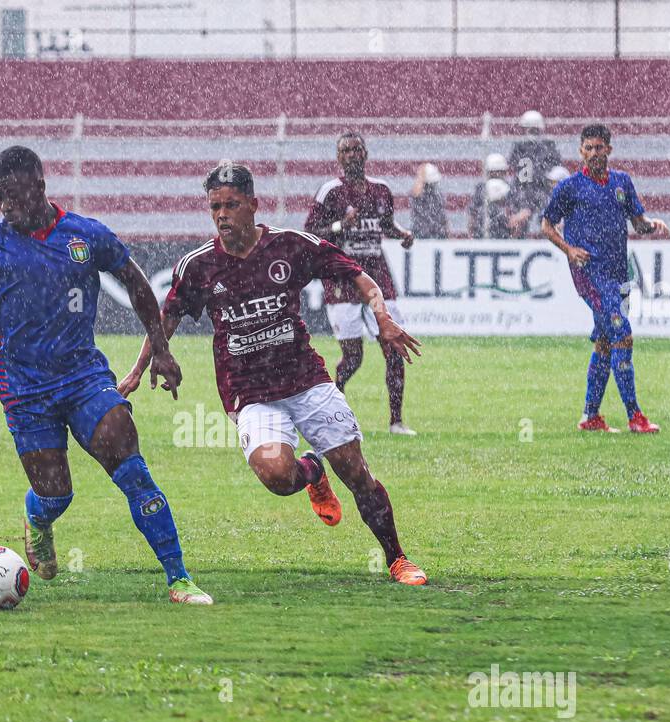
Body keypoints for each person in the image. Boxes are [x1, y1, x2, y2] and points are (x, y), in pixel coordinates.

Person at [0, 145, 213, 605]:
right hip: (24, 390)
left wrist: (161, 351)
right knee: (56, 496)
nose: (6, 206)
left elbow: (136, 281)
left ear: (40, 187)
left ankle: (179, 579)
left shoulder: (85, 235)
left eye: (13, 195)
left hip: (84, 379)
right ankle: (38, 517)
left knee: (131, 468)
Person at [118, 162, 429, 587]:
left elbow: (361, 278)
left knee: (356, 472)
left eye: (231, 205)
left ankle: (397, 559)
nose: (222, 214)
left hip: (305, 380)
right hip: (249, 393)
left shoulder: (290, 246)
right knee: (279, 478)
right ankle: (311, 473)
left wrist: (383, 318)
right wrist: (138, 371)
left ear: (252, 205)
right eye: (215, 207)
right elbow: (165, 318)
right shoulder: (200, 265)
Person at [541, 124, 670, 434]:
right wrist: (569, 249)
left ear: (609, 149)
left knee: (605, 342)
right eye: (589, 148)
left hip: (617, 273)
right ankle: (635, 416)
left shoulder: (622, 183)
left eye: (600, 148)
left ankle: (590, 416)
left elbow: (637, 223)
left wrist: (652, 225)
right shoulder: (570, 187)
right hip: (589, 273)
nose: (594, 153)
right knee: (622, 334)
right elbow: (547, 225)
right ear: (581, 151)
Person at [303, 131, 416, 436]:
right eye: (345, 151)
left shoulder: (381, 190)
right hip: (343, 281)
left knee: (393, 348)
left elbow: (387, 225)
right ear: (338, 158)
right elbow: (310, 234)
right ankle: (333, 408)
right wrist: (341, 225)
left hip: (378, 278)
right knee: (353, 358)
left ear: (365, 154)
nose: (352, 155)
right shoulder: (330, 192)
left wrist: (402, 234)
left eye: (356, 150)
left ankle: (396, 421)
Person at [468, 153, 528, 238]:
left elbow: (525, 211)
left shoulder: (511, 190)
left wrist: (515, 218)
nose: (496, 174)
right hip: (483, 233)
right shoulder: (481, 189)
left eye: (499, 172)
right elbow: (472, 215)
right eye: (493, 172)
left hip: (506, 235)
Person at [508, 109, 563, 187]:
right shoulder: (548, 146)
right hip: (543, 187)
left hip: (521, 188)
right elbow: (557, 165)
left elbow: (512, 163)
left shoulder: (519, 146)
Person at [409, 162, 448, 239]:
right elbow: (415, 193)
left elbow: (442, 216)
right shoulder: (421, 194)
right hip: (423, 233)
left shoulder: (437, 195)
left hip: (435, 232)